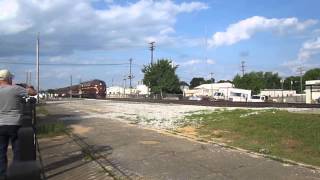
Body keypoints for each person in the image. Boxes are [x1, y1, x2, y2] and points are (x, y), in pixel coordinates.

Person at [0, 69, 36, 177]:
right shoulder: (15, 89)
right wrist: (27, 87)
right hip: (15, 124)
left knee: (1, 152)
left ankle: (2, 175)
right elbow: (33, 93)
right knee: (17, 151)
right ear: (9, 78)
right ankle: (15, 174)